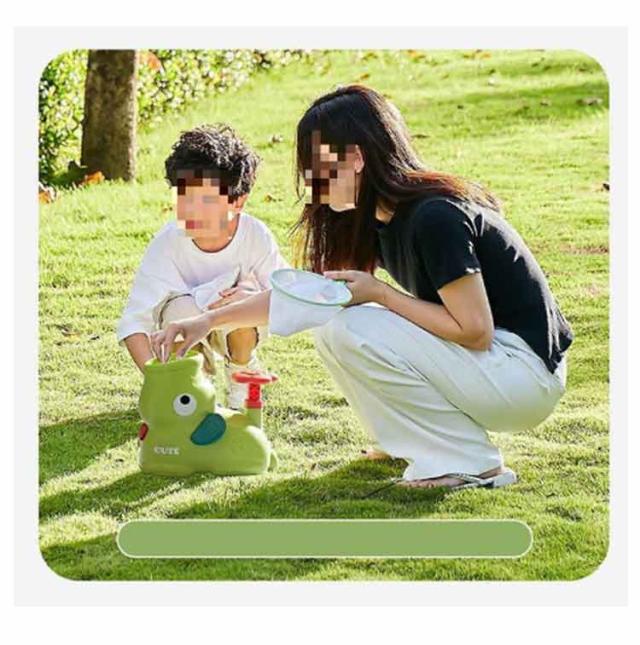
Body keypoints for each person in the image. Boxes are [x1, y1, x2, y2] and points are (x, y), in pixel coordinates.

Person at [150, 85, 573, 490]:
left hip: (523, 375)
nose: (310, 182)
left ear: (354, 159)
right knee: (334, 324)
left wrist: (381, 294)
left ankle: (469, 462)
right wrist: (207, 322)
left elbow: (475, 331)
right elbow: (308, 297)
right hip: (493, 369)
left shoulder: (435, 217)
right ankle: (412, 443)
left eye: (315, 166)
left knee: (350, 326)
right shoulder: (377, 219)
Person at [117, 123, 288, 409]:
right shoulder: (168, 243)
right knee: (181, 311)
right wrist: (157, 380)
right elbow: (135, 322)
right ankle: (192, 383)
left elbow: (287, 296)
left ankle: (242, 374)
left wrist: (251, 295)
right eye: (183, 197)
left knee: (241, 302)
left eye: (205, 200)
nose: (190, 210)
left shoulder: (255, 235)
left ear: (237, 201)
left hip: (234, 329)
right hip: (183, 329)